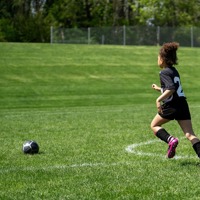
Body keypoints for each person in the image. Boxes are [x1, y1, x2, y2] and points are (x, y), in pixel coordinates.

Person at [150, 42, 200, 159]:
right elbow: (173, 89)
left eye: (158, 57)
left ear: (163, 59)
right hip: (182, 104)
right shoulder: (174, 71)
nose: (157, 60)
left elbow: (171, 89)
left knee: (154, 125)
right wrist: (159, 89)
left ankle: (171, 140)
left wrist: (158, 100)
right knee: (190, 134)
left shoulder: (164, 72)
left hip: (172, 105)